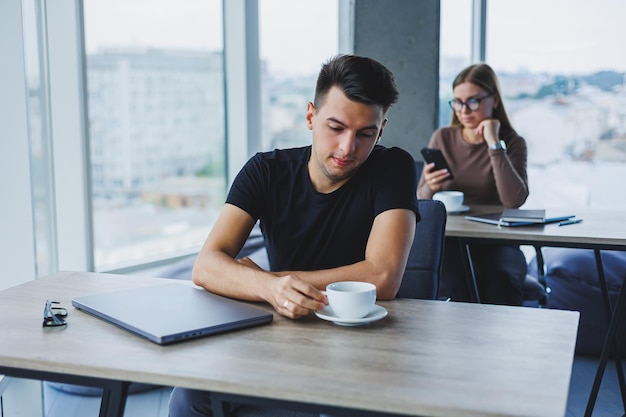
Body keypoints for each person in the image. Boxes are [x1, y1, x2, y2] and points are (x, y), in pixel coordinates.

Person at [169, 54, 420, 417]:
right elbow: (207, 265)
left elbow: (382, 277)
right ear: (310, 117)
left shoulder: (392, 167)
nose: (348, 148)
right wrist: (271, 290)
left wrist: (266, 281)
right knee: (189, 398)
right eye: (335, 127)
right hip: (284, 336)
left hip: (366, 345)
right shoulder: (265, 171)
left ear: (380, 130)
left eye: (365, 133)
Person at [417, 63, 529, 306]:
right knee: (455, 281)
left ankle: (504, 344)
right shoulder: (443, 137)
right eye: (457, 102)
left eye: (473, 101)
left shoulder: (512, 142)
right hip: (453, 240)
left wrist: (493, 144)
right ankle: (464, 343)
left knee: (502, 279)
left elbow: (514, 200)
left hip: (499, 242)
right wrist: (430, 187)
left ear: (495, 101)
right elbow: (421, 201)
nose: (463, 110)